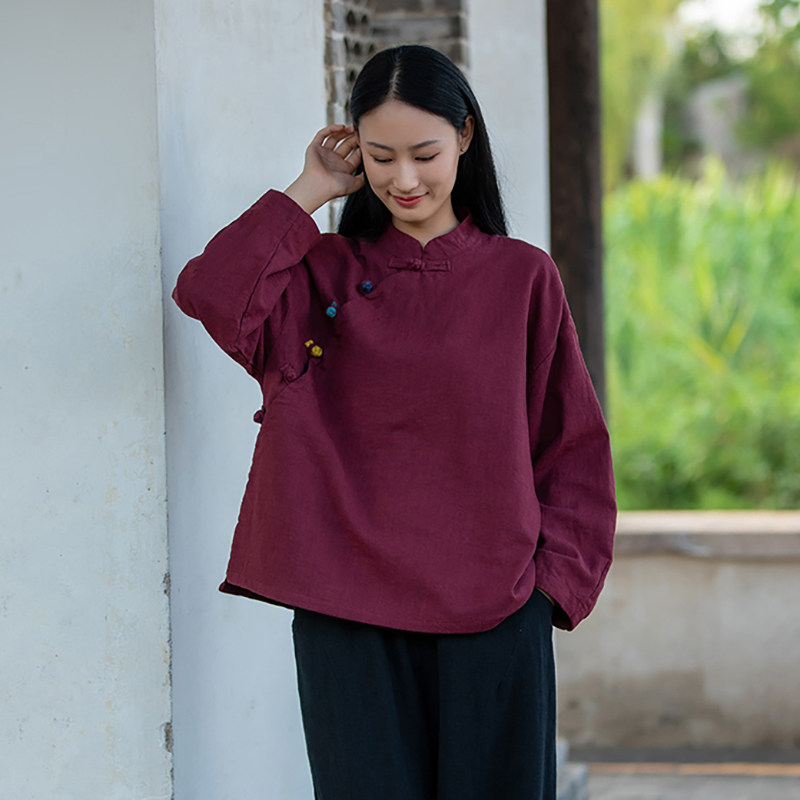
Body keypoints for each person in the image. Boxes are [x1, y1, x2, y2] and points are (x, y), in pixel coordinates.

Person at [173, 44, 616, 800]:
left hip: (495, 613)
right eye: (380, 157)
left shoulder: (521, 277)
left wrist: (547, 591)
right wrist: (311, 188)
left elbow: (570, 448)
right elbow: (210, 292)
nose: (404, 179)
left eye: (424, 154)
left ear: (465, 136)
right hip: (345, 615)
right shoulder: (319, 275)